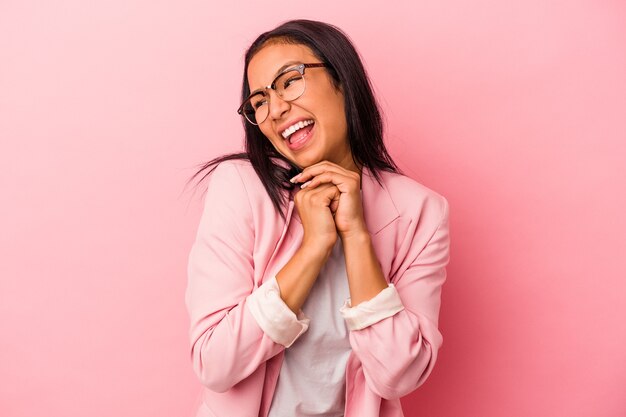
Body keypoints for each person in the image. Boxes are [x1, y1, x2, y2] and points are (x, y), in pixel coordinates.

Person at [185, 19, 450, 417]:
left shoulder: (420, 212)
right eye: (259, 101)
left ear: (342, 79)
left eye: (289, 81)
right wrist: (314, 248)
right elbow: (214, 363)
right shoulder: (241, 187)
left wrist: (356, 234)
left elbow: (400, 375)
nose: (275, 110)